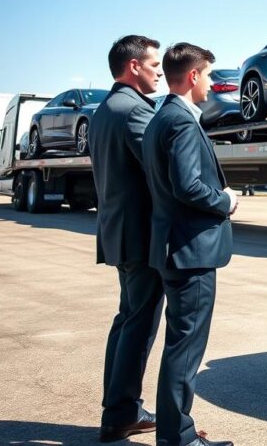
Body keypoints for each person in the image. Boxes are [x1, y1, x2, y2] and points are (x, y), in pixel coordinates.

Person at [143, 42, 238, 446]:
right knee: (185, 348)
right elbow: (187, 186)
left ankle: (174, 431)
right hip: (190, 250)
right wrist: (225, 201)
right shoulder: (180, 121)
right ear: (194, 75)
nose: (212, 83)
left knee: (179, 345)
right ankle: (178, 438)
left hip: (174, 247)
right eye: (209, 75)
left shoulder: (161, 117)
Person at [89, 34, 165, 443]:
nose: (159, 73)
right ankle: (121, 413)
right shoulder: (135, 110)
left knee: (127, 320)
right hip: (141, 235)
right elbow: (160, 169)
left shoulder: (105, 109)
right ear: (134, 66)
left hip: (119, 233)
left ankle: (118, 409)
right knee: (138, 324)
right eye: (154, 65)